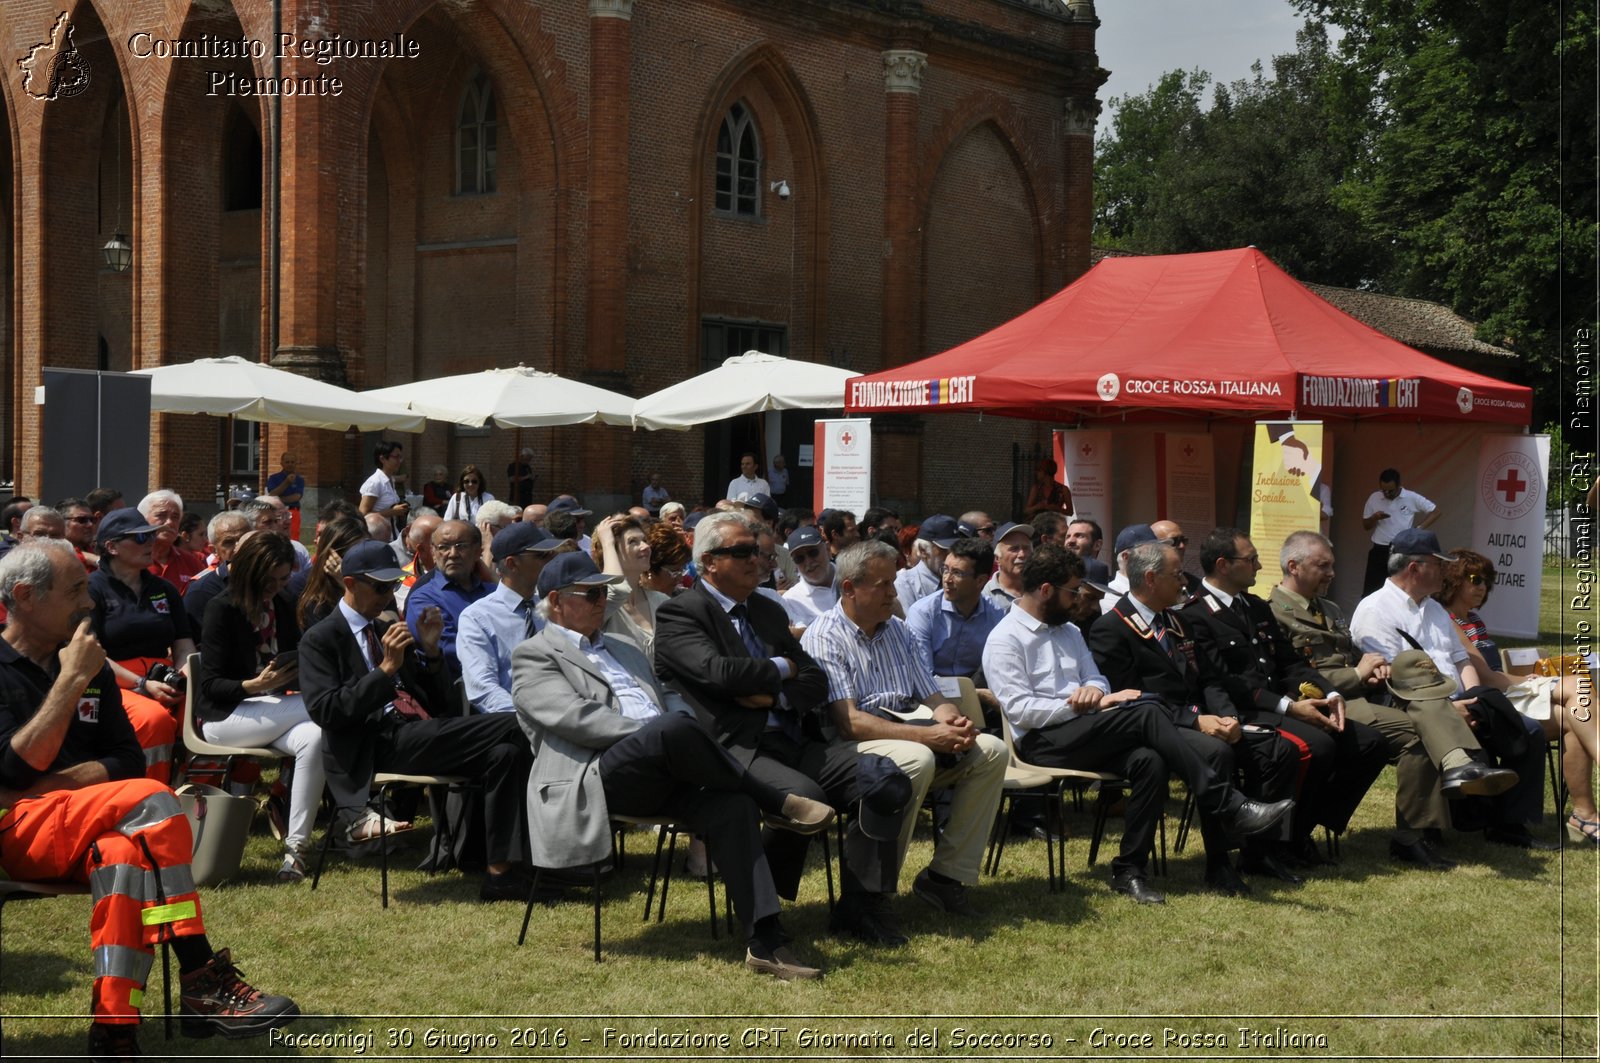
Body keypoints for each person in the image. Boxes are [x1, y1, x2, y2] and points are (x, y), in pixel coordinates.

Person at [0, 540, 299, 1059]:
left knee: (127, 856)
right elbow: (10, 770)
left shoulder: (90, 663)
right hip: (18, 832)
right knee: (154, 797)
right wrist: (69, 683)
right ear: (25, 596)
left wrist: (53, 782)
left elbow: (126, 760)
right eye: (76, 591)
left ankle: (114, 1030)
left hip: (91, 821)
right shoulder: (61, 667)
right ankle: (200, 971)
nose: (90, 603)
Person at [513, 551, 831, 978]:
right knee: (672, 729)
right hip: (598, 773)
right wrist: (656, 733)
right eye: (591, 594)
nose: (601, 601)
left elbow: (672, 696)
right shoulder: (533, 655)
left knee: (731, 805)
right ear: (555, 601)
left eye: (605, 592)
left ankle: (766, 940)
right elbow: (575, 719)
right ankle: (774, 800)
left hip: (667, 763)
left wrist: (673, 729)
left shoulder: (624, 646)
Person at [653, 512, 916, 946]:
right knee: (806, 798)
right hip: (737, 750)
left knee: (887, 780)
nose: (756, 560)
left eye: (757, 551)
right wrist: (782, 667)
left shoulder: (766, 609)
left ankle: (860, 905)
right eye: (740, 552)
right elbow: (720, 674)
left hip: (795, 738)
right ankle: (764, 905)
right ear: (707, 562)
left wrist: (772, 693)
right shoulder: (682, 614)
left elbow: (814, 680)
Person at [988, 545, 1295, 905]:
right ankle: (1229, 804)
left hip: (1089, 730)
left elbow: (1098, 679)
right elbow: (1021, 711)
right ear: (1045, 590)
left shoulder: (1069, 632)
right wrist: (1084, 704)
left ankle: (1129, 870)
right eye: (1073, 591)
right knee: (1145, 709)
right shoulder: (1005, 639)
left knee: (1149, 760)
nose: (1079, 599)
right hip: (1043, 742)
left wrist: (1094, 691)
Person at [299, 540, 533, 896]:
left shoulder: (382, 631)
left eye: (392, 586)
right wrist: (384, 671)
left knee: (507, 754)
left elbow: (437, 702)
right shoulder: (321, 638)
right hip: (374, 743)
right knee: (520, 723)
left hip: (417, 731)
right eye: (379, 587)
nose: (386, 596)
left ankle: (500, 871)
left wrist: (432, 650)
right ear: (349, 584)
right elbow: (326, 711)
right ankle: (560, 855)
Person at [1269, 530, 1501, 869]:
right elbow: (1292, 674)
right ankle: (1424, 815)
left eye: (1332, 565)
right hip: (1314, 705)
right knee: (1416, 732)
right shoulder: (1274, 612)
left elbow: (1350, 659)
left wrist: (1371, 672)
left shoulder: (1330, 608)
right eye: (1323, 566)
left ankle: (1416, 833)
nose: (1332, 573)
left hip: (1356, 699)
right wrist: (1358, 675)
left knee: (1419, 719)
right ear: (1294, 566)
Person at [802, 539, 1007, 919]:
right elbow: (849, 723)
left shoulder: (897, 629)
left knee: (992, 751)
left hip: (907, 728)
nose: (894, 594)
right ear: (849, 588)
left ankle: (945, 877)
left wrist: (950, 718)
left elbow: (930, 693)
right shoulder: (825, 636)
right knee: (917, 758)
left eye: (894, 583)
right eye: (883, 585)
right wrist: (929, 736)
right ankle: (876, 892)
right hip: (851, 747)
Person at [1087, 540, 1299, 895]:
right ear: (1151, 579)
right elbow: (1135, 700)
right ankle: (1220, 864)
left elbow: (1210, 678)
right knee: (1215, 752)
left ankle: (1261, 852)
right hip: (1152, 726)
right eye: (1177, 575)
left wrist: (1227, 717)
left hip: (1196, 718)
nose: (1185, 582)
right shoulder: (1112, 627)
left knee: (1277, 750)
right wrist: (1195, 720)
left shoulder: (1178, 620)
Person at [1182, 528, 1388, 877]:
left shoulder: (1256, 607)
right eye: (1251, 560)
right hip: (1239, 710)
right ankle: (1263, 850)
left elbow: (1291, 663)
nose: (1260, 566)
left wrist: (1331, 693)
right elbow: (1228, 683)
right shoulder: (1194, 615)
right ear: (1223, 565)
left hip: (1276, 703)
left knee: (1370, 743)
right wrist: (1289, 708)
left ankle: (1299, 831)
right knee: (1317, 747)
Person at [1350, 528, 1547, 849]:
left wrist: (1472, 699)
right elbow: (1391, 677)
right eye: (1438, 563)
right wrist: (1448, 709)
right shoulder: (1375, 610)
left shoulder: (1434, 609)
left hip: (1458, 699)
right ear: (1414, 569)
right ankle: (1475, 806)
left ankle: (1510, 825)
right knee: (1507, 725)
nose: (1445, 570)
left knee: (1530, 732)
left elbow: (1461, 660)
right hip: (1412, 703)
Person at [1437, 548, 1598, 843]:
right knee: (1577, 686)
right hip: (1493, 698)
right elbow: (1486, 677)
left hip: (1507, 693)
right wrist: (1525, 680)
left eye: (1487, 580)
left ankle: (1584, 814)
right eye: (1475, 578)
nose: (1482, 586)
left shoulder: (1474, 621)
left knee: (1574, 718)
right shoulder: (1448, 621)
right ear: (1454, 581)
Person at [196, 532, 322, 881]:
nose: (277, 587)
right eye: (270, 580)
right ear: (251, 572)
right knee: (323, 708)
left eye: (283, 579)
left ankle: (296, 851)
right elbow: (210, 686)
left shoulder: (281, 605)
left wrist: (295, 670)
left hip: (272, 710)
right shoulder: (221, 607)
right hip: (225, 716)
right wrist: (253, 685)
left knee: (315, 735)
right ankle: (357, 811)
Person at [89, 508, 195, 783]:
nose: (150, 542)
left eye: (149, 535)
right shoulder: (91, 590)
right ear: (111, 547)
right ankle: (149, 797)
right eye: (139, 538)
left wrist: (184, 678)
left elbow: (184, 645)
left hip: (166, 677)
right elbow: (91, 655)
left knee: (204, 708)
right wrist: (141, 683)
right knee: (153, 720)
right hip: (114, 683)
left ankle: (197, 797)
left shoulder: (164, 589)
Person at [458, 523, 571, 713]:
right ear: (512, 564)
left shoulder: (554, 606)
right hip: (516, 722)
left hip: (567, 710)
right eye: (543, 555)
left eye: (553, 553)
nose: (553, 560)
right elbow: (483, 690)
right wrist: (536, 719)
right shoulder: (477, 618)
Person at [903, 536, 1006, 687]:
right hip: (930, 696)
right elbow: (922, 676)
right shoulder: (923, 613)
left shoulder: (997, 616)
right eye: (945, 570)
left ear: (981, 581)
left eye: (957, 573)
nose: (947, 579)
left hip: (978, 694)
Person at [404, 519, 492, 676]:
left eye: (461, 546)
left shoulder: (493, 592)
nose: (452, 554)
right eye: (443, 547)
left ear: (479, 551)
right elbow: (453, 654)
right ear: (433, 552)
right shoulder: (424, 599)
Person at [592, 514, 670, 658]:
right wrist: (607, 543)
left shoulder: (661, 601)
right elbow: (617, 590)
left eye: (645, 540)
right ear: (612, 553)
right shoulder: (601, 604)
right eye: (633, 541)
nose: (646, 546)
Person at [1361, 468, 1439, 595]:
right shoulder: (1375, 497)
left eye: (1390, 490)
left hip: (1401, 549)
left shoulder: (1410, 497)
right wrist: (1375, 517)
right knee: (1372, 590)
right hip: (1379, 548)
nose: (1386, 493)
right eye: (1384, 490)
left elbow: (1435, 512)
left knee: (1400, 589)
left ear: (1399, 485)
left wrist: (1418, 529)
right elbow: (1366, 525)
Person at [297, 516, 369, 632]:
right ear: (332, 557)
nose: (364, 561)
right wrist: (348, 587)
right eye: (355, 555)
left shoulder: (376, 583)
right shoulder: (317, 605)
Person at [140, 490, 207, 596]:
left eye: (175, 517)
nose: (170, 522)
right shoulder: (129, 560)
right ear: (143, 519)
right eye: (161, 515)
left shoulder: (191, 562)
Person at [894, 514, 960, 614]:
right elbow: (910, 626)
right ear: (923, 550)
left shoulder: (964, 578)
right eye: (945, 550)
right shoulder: (905, 583)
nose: (952, 555)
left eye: (956, 549)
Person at [781, 525, 836, 631]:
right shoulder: (791, 601)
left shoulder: (852, 575)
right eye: (799, 559)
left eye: (813, 553)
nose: (808, 562)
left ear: (828, 548)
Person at [359, 440, 410, 530]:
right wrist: (392, 512)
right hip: (377, 536)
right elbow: (363, 515)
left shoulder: (390, 480)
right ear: (382, 459)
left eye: (400, 457)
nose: (399, 461)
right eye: (396, 457)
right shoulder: (375, 482)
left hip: (391, 534)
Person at [982, 521, 1033, 608]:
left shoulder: (1042, 590)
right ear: (997, 558)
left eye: (1026, 548)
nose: (1022, 554)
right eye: (1014, 549)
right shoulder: (986, 598)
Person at [640, 521, 690, 597]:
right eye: (674, 572)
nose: (680, 578)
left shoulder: (685, 597)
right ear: (650, 568)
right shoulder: (628, 600)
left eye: (681, 571)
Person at [265, 452, 306, 539]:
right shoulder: (274, 478)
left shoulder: (299, 479)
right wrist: (286, 482)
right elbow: (272, 494)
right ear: (282, 463)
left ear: (295, 464)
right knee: (277, 536)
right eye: (287, 462)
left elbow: (297, 497)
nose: (290, 464)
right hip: (277, 512)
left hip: (293, 511)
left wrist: (278, 499)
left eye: (292, 462)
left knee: (293, 537)